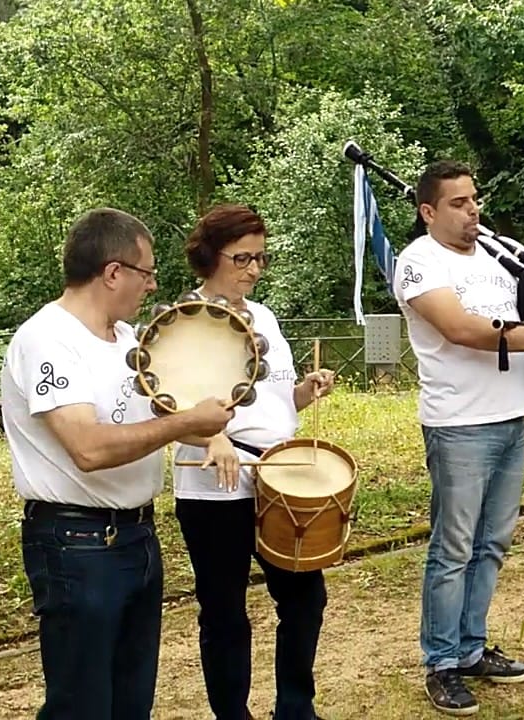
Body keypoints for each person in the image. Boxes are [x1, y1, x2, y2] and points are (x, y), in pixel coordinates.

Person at [1, 207, 235, 720]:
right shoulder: (50, 340)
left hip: (135, 539)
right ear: (112, 272)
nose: (152, 287)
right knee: (83, 705)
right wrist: (185, 423)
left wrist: (216, 421)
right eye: (147, 273)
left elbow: (168, 418)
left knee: (131, 702)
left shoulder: (126, 339)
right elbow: (90, 450)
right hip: (77, 546)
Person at [393, 160, 524, 716]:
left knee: (492, 544)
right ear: (428, 212)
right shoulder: (417, 262)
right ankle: (440, 662)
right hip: (458, 422)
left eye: (475, 199)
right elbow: (460, 329)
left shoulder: (494, 252)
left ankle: (470, 647)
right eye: (459, 203)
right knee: (454, 548)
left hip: (510, 413)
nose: (473, 211)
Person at [170, 204, 337, 720]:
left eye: (261, 259)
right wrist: (212, 434)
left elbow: (273, 398)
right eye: (242, 258)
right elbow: (169, 399)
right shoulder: (184, 320)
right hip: (213, 488)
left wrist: (305, 393)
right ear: (209, 257)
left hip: (281, 477)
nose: (253, 269)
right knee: (224, 613)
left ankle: (294, 707)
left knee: (305, 598)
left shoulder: (263, 316)